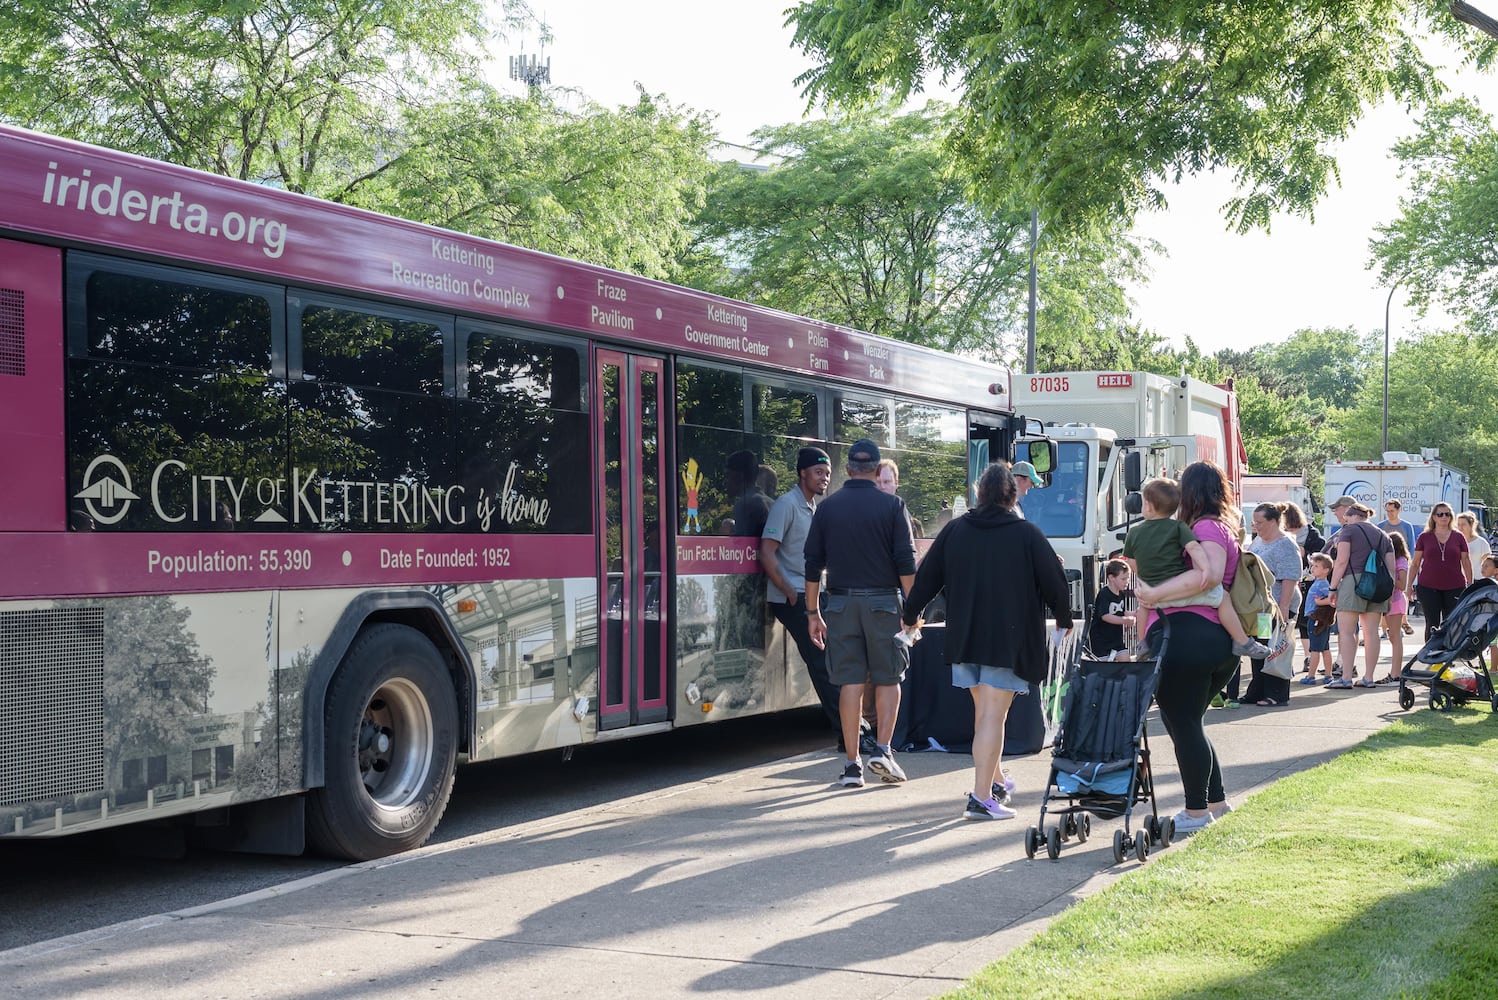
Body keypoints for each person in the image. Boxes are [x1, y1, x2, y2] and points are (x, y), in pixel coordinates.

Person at [902, 462, 1073, 820]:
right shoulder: (1026, 533)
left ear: (979, 493)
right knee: (995, 716)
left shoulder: (955, 530)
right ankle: (981, 798)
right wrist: (1063, 617)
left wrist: (910, 615)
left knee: (986, 715)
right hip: (1007, 641)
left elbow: (927, 577)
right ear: (1012, 496)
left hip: (965, 637)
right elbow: (1055, 581)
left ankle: (995, 781)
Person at [1131, 461, 1243, 834]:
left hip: (1189, 636)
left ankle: (1196, 813)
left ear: (1191, 491)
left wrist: (1153, 594)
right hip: (1214, 641)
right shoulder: (1219, 526)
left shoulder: (1205, 527)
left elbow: (1207, 575)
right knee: (1189, 723)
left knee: (1183, 723)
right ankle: (1216, 802)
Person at [804, 438, 918, 789]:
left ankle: (852, 765)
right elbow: (906, 563)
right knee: (888, 678)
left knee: (849, 682)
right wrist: (913, 612)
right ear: (876, 469)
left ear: (849, 469)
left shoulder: (828, 508)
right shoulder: (893, 506)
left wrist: (812, 612)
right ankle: (883, 750)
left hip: (839, 604)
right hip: (884, 603)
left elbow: (811, 565)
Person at [1122, 477, 1271, 659]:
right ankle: (1242, 641)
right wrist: (1206, 568)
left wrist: (1145, 581)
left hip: (1155, 598)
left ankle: (1141, 644)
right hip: (1181, 594)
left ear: (1148, 506)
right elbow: (1194, 548)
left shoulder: (1134, 532)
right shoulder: (1179, 527)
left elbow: (1130, 561)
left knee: (1143, 606)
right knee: (1222, 597)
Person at [760, 447, 838, 737]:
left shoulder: (813, 507)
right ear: (802, 473)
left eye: (827, 473)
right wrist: (791, 593)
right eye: (818, 472)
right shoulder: (786, 505)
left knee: (834, 659)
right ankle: (849, 734)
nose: (824, 478)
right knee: (823, 662)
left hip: (814, 594)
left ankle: (853, 730)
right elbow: (766, 554)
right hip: (796, 597)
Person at [1326, 499, 1396, 689]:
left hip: (1353, 582)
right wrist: (1388, 596)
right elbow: (1392, 570)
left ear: (1354, 516)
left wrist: (1332, 588)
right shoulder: (1384, 536)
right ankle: (1368, 678)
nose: (1344, 521)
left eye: (1346, 517)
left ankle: (1346, 677)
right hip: (1378, 586)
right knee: (1372, 633)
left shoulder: (1349, 530)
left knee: (1347, 632)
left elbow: (1341, 561)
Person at [1241, 502, 1302, 706]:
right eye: (1254, 522)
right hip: (1260, 607)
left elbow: (1290, 578)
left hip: (1278, 606)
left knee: (1276, 647)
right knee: (1260, 647)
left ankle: (1276, 693)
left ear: (1274, 521)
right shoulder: (1258, 541)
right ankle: (1257, 690)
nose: (1256, 526)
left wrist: (1283, 608)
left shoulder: (1285, 544)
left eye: (1260, 522)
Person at [1407, 501, 1472, 641]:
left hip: (1455, 585)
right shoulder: (1425, 537)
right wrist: (1409, 586)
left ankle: (1449, 655)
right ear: (1434, 517)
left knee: (1451, 621)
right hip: (1428, 586)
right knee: (1432, 622)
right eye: (1440, 514)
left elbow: (1466, 561)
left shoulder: (1458, 536)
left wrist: (1470, 584)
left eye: (1447, 514)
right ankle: (1431, 653)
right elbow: (1415, 563)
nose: (1444, 517)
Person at [1376, 530, 1411, 685]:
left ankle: (1396, 673)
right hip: (1390, 600)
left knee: (1395, 637)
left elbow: (1402, 585)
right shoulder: (1390, 559)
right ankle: (1395, 672)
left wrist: (1388, 575)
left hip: (1396, 600)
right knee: (1392, 636)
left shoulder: (1401, 561)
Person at [1089, 559, 1135, 659]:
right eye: (1123, 579)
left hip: (1116, 639)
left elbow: (1122, 611)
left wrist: (1135, 613)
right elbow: (1105, 616)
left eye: (1128, 578)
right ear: (1111, 578)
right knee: (1104, 670)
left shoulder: (1121, 593)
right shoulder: (1104, 594)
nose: (1127, 582)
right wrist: (1125, 620)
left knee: (1125, 660)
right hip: (1101, 640)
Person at [1301, 553, 1336, 684]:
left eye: (1316, 566)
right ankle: (1328, 675)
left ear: (1326, 570)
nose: (1313, 568)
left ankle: (1311, 676)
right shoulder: (1319, 582)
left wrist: (1319, 602)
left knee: (1315, 649)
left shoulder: (1322, 584)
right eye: (1313, 566)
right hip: (1321, 620)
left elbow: (1330, 600)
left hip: (1316, 618)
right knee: (1325, 648)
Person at [724, 449, 772, 539]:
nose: (725, 482)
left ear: (739, 477)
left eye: (728, 475)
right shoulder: (771, 503)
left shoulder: (745, 504)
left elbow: (741, 548)